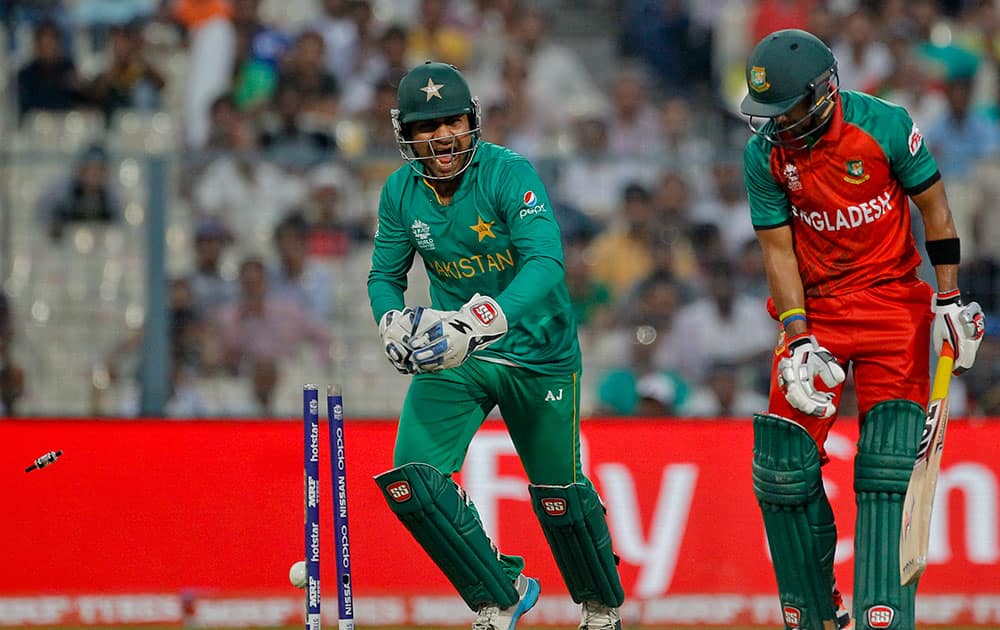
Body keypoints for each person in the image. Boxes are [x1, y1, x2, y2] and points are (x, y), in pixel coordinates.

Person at [740, 29, 986, 630]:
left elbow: (936, 210)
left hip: (892, 305)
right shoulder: (766, 154)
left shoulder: (885, 126)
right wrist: (797, 336)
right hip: (816, 311)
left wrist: (950, 298)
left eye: (789, 109)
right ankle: (818, 614)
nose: (779, 123)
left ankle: (885, 617)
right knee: (781, 466)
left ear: (825, 93)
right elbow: (778, 254)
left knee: (886, 470)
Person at [367, 61, 625, 630]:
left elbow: (546, 262)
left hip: (539, 352)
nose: (440, 136)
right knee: (411, 480)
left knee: (559, 494)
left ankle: (602, 609)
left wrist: (485, 318)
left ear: (471, 121)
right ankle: (501, 591)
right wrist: (390, 319)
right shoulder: (399, 192)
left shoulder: (510, 173)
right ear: (405, 134)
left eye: (451, 121)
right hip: (458, 355)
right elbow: (384, 275)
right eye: (425, 126)